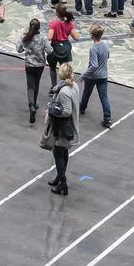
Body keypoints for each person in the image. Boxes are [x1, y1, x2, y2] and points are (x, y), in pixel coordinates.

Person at [44, 63, 80, 196]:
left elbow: (66, 111)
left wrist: (52, 110)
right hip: (69, 126)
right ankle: (59, 178)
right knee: (63, 152)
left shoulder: (64, 92)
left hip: (63, 127)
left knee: (58, 153)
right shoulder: (74, 86)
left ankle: (63, 182)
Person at [17, 18, 50, 124]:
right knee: (37, 84)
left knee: (30, 87)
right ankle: (34, 103)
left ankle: (32, 106)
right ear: (39, 27)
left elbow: (18, 49)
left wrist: (23, 36)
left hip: (29, 65)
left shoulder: (26, 37)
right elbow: (50, 50)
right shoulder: (43, 38)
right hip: (40, 66)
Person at [79, 24, 112, 127]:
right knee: (104, 97)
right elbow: (108, 56)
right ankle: (107, 118)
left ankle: (82, 108)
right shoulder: (105, 45)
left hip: (92, 76)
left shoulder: (93, 49)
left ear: (92, 35)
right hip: (103, 76)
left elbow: (94, 66)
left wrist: (83, 75)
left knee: (87, 92)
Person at [46, 3, 79, 87]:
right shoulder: (69, 23)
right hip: (65, 49)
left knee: (52, 68)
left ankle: (54, 86)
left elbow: (49, 37)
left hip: (55, 49)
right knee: (64, 69)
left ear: (56, 13)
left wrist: (50, 29)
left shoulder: (53, 23)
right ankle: (65, 86)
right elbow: (76, 37)